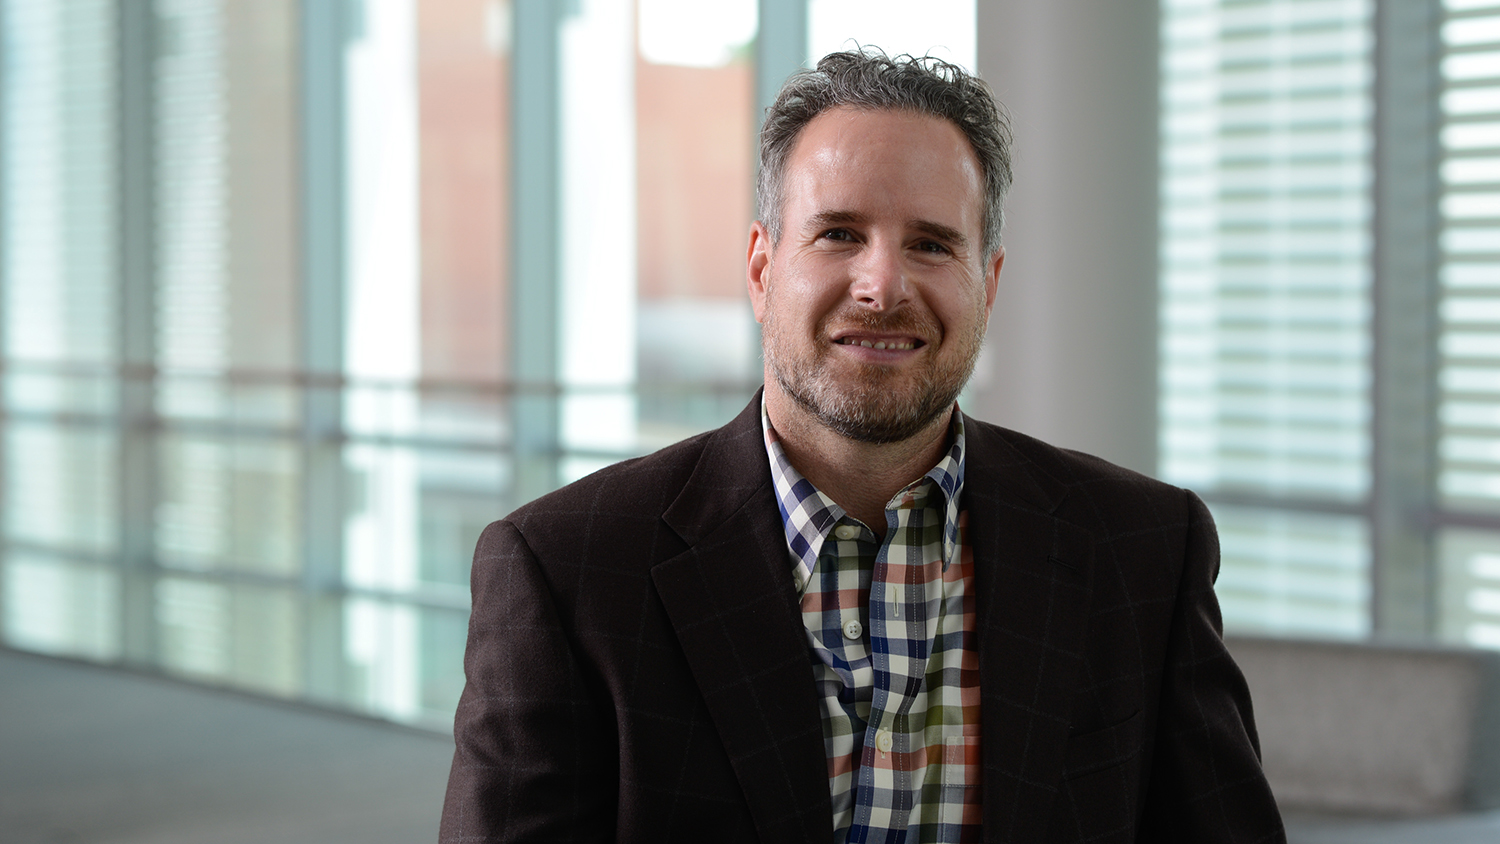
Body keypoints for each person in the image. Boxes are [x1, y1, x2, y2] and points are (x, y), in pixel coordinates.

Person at [440, 49, 1285, 844]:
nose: (883, 286)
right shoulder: (567, 572)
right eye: (839, 234)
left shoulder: (1142, 553)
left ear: (986, 284)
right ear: (763, 269)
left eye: (930, 243)